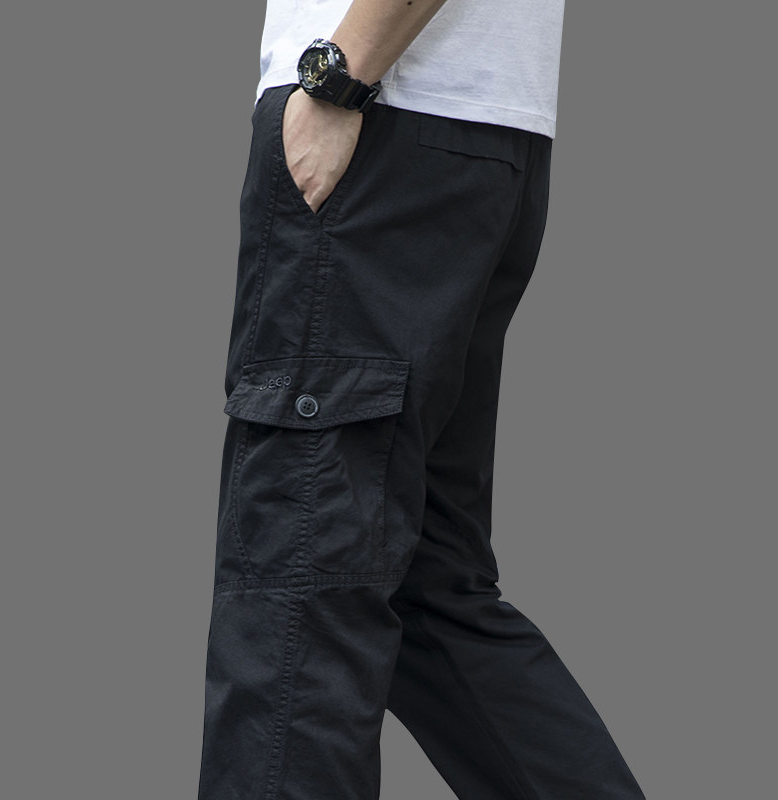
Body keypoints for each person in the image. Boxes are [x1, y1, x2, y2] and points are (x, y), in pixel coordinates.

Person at [198, 1, 648, 798]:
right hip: (477, 143)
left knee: (299, 577)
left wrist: (336, 81)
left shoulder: (350, 93)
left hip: (378, 121)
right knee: (423, 579)